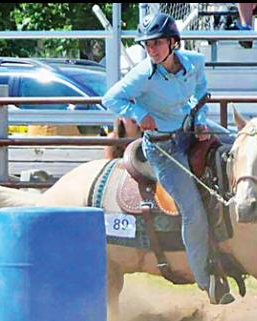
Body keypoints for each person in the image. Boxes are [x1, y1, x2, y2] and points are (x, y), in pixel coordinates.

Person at [102, 13, 235, 305]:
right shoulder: (142, 74)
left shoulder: (194, 63)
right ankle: (207, 280)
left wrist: (200, 119)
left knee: (239, 149)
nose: (152, 49)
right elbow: (110, 98)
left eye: (158, 43)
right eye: (148, 45)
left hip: (190, 131)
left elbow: (201, 93)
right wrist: (139, 114)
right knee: (193, 210)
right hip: (163, 149)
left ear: (173, 42)